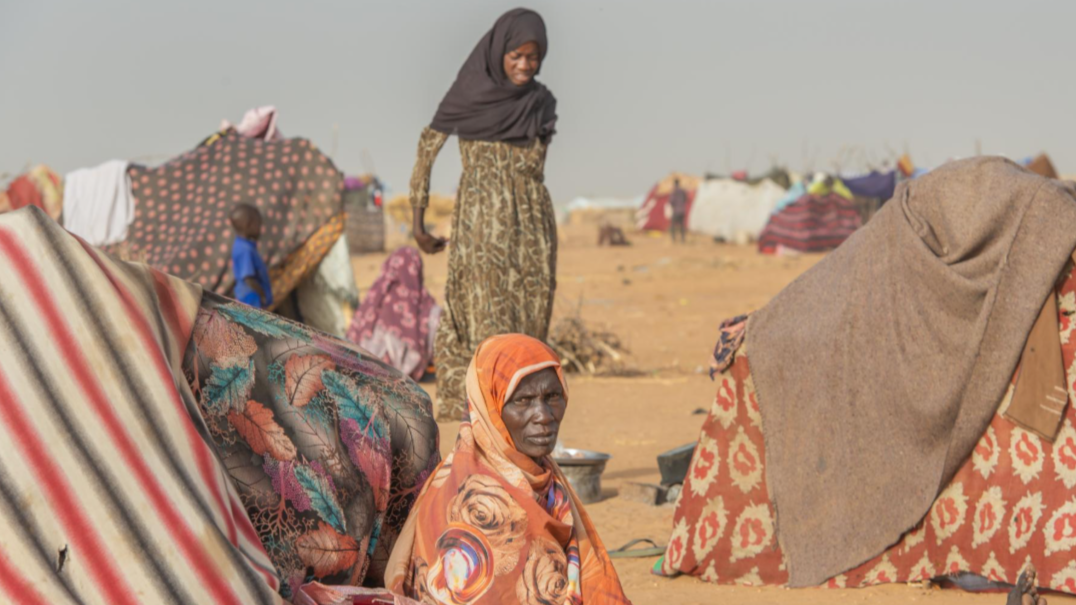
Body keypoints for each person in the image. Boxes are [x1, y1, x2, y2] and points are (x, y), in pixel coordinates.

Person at [385, 334, 632, 604]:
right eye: (523, 401)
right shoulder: (470, 504)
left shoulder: (544, 477)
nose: (544, 415)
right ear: (491, 409)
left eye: (552, 396)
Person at [408, 8, 559, 421]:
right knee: (483, 326)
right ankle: (481, 428)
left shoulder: (541, 103)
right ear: (499, 52)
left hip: (532, 231)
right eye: (517, 56)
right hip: (481, 228)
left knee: (530, 329)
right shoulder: (468, 95)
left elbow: (536, 169)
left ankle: (523, 434)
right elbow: (427, 151)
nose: (525, 65)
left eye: (533, 57)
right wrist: (418, 223)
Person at [346, 246, 442, 381]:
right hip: (408, 372)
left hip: (362, 367)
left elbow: (351, 338)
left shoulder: (372, 300)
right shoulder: (426, 306)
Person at [230, 203, 273, 309]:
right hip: (251, 298)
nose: (260, 229)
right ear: (249, 225)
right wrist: (262, 295)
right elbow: (248, 278)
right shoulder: (245, 250)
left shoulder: (241, 245)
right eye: (258, 225)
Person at [667, 178, 688, 243]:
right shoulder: (682, 191)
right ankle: (682, 239)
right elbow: (685, 199)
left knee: (673, 226)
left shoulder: (674, 191)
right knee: (682, 226)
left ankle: (673, 239)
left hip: (676, 211)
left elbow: (671, 201)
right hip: (682, 210)